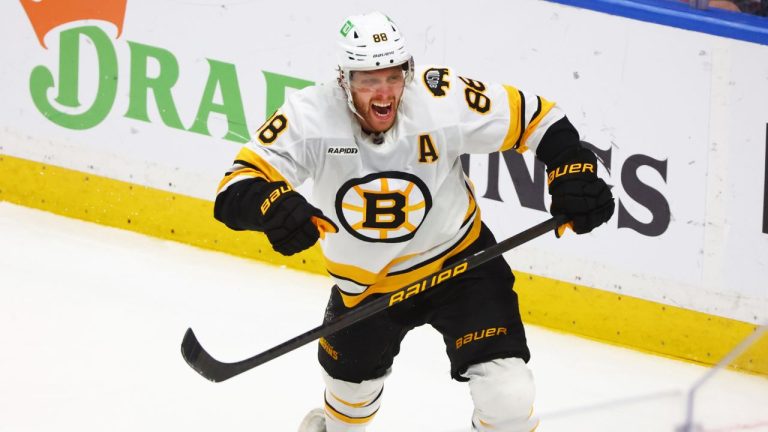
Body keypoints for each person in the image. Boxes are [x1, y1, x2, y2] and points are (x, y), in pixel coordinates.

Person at [213, 11, 614, 432]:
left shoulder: (441, 96)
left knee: (509, 398)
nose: (384, 93)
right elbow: (234, 186)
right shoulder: (309, 114)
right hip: (366, 286)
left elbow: (538, 117)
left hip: (461, 264)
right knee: (347, 411)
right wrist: (271, 205)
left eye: (393, 76)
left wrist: (573, 169)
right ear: (344, 79)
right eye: (368, 79)